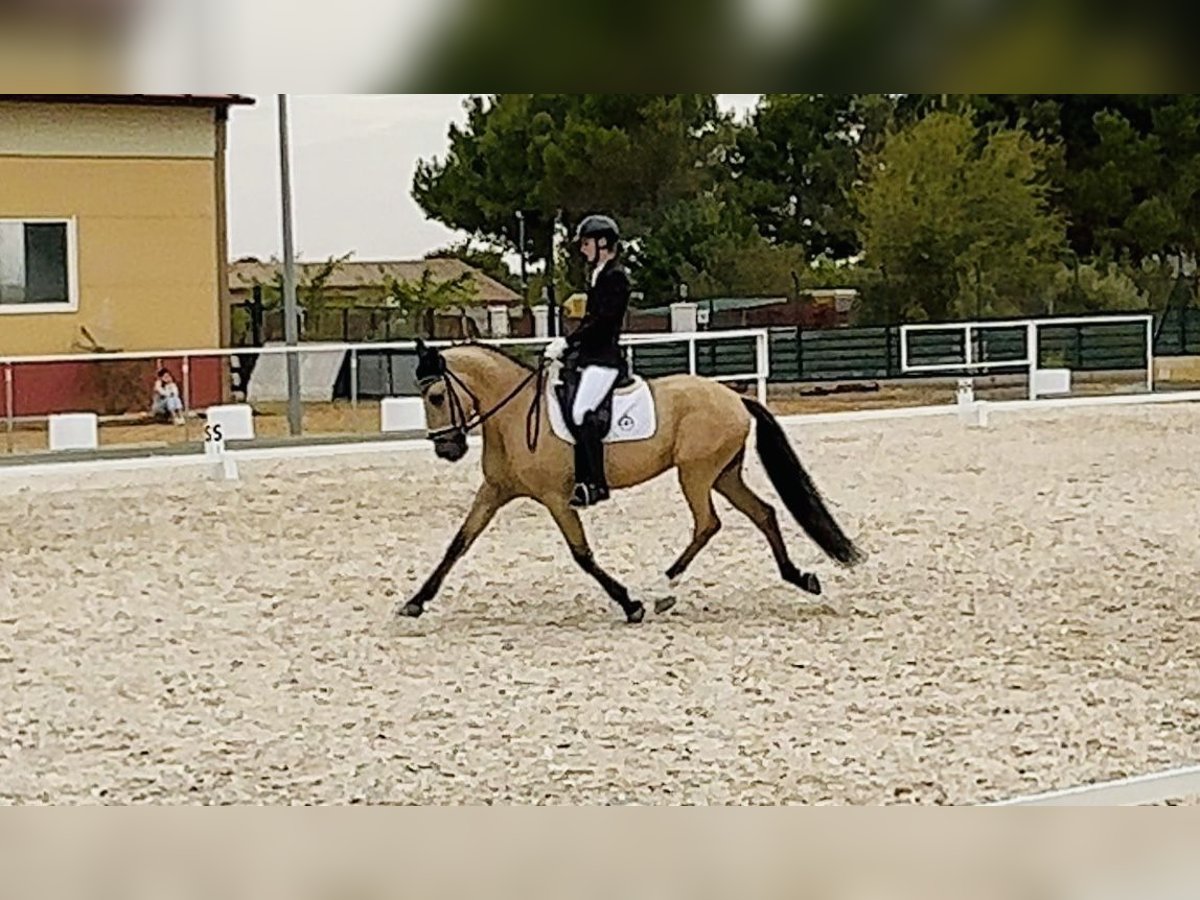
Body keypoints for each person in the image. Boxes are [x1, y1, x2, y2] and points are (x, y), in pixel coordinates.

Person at [545, 213, 631, 508]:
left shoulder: (615, 277)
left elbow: (603, 322)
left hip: (604, 361)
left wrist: (569, 341)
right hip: (589, 357)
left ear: (603, 243)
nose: (582, 249)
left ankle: (595, 483)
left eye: (586, 243)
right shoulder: (597, 275)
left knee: (582, 411)